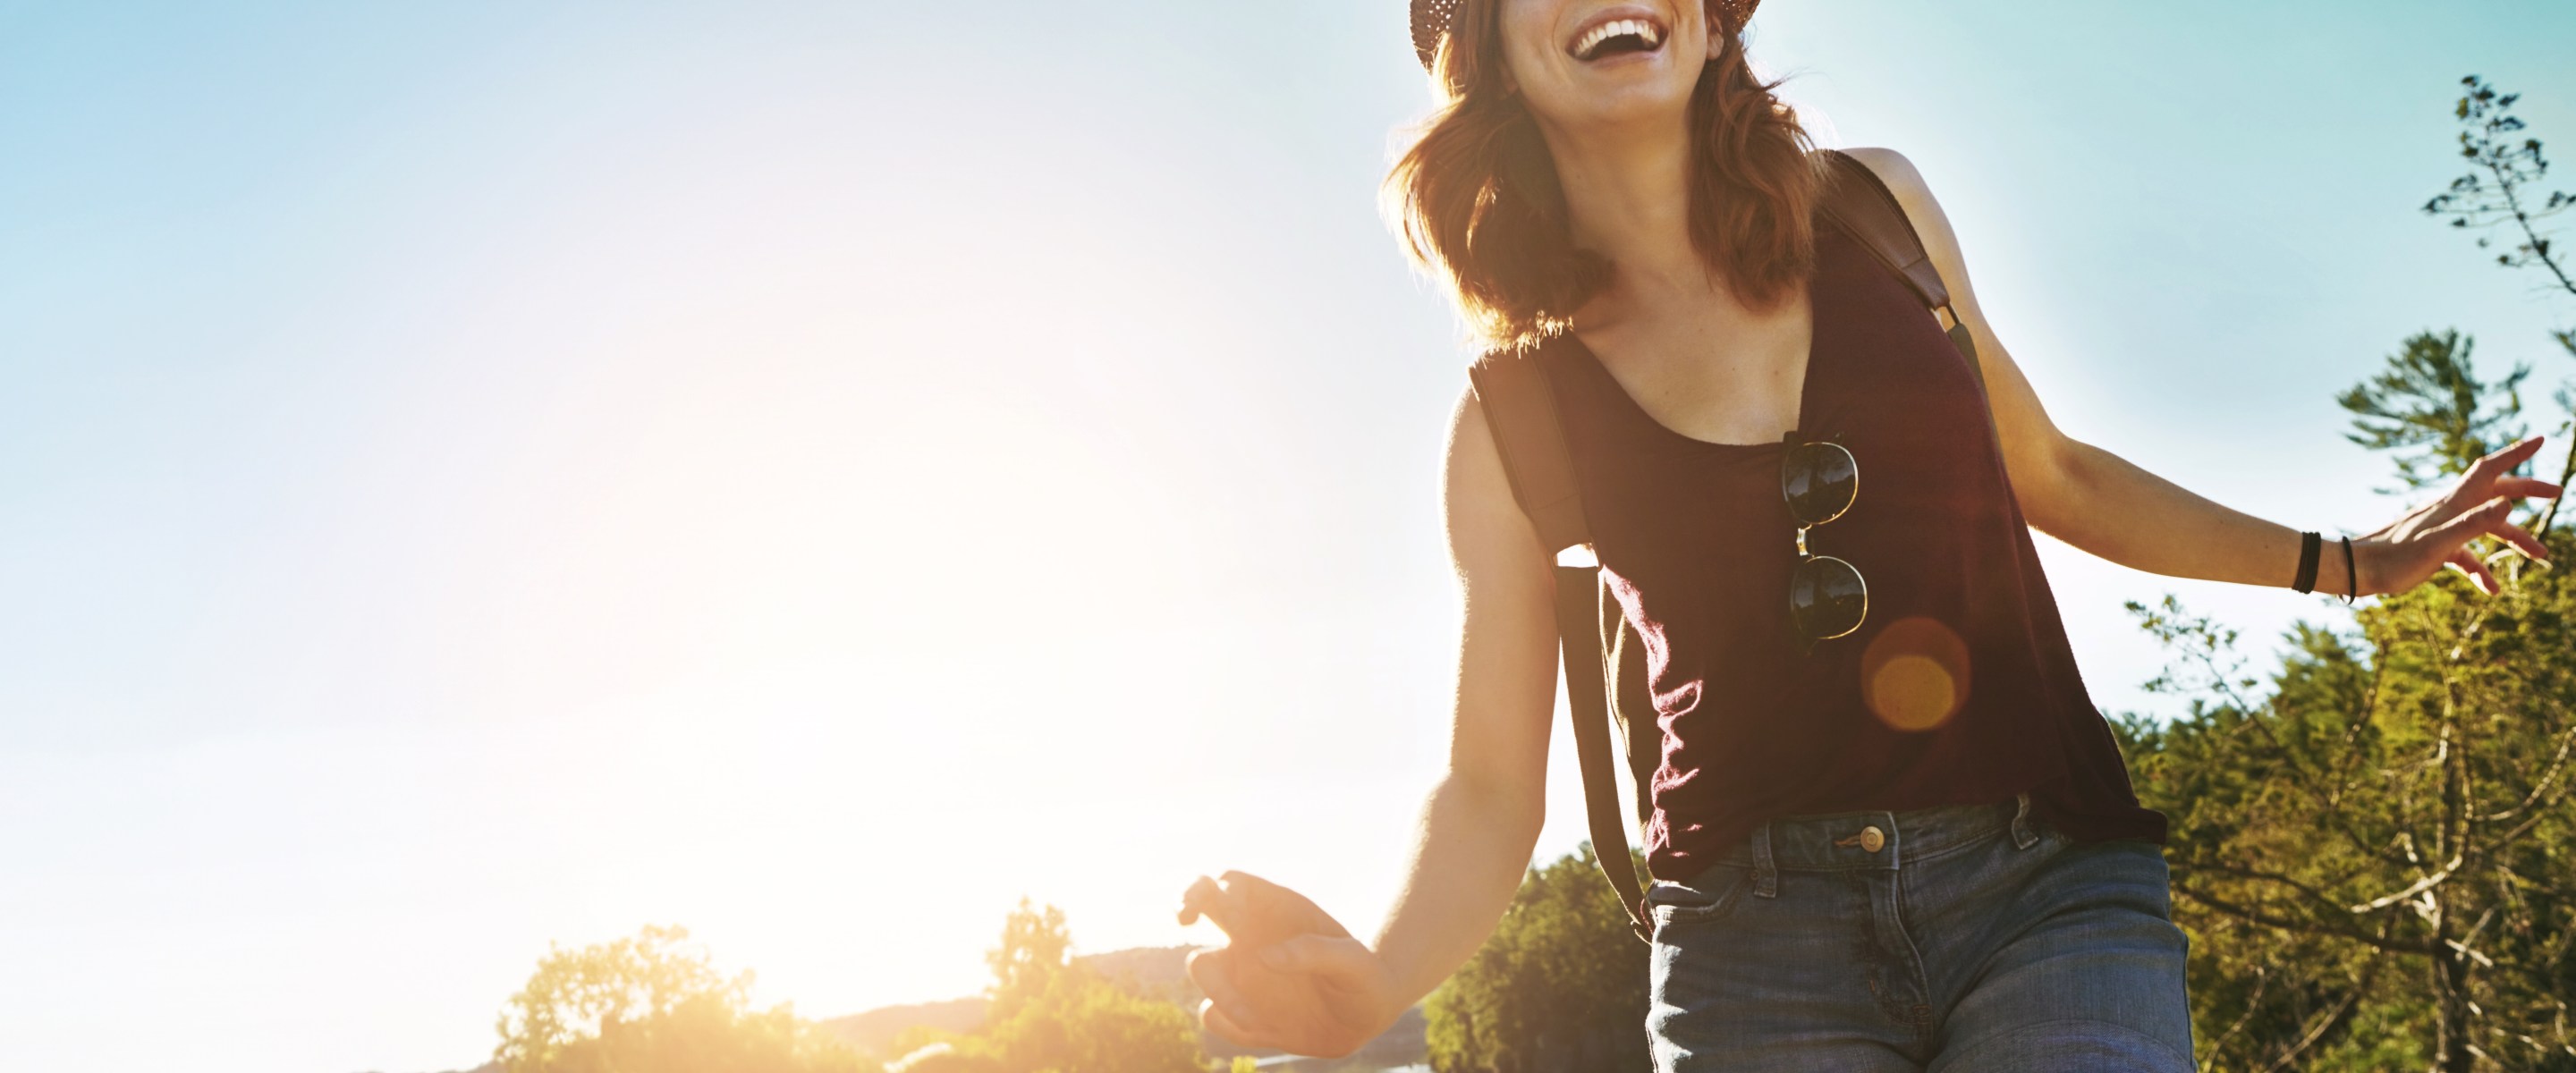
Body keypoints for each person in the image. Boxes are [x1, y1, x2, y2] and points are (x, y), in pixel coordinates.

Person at [1176, 1, 2563, 1069]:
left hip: (2049, 879)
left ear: (1713, 17)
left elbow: (2058, 473)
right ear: (1485, 48)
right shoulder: (1511, 423)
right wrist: (1370, 982)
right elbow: (1490, 791)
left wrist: (2352, 562)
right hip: (1751, 941)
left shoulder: (1881, 213)